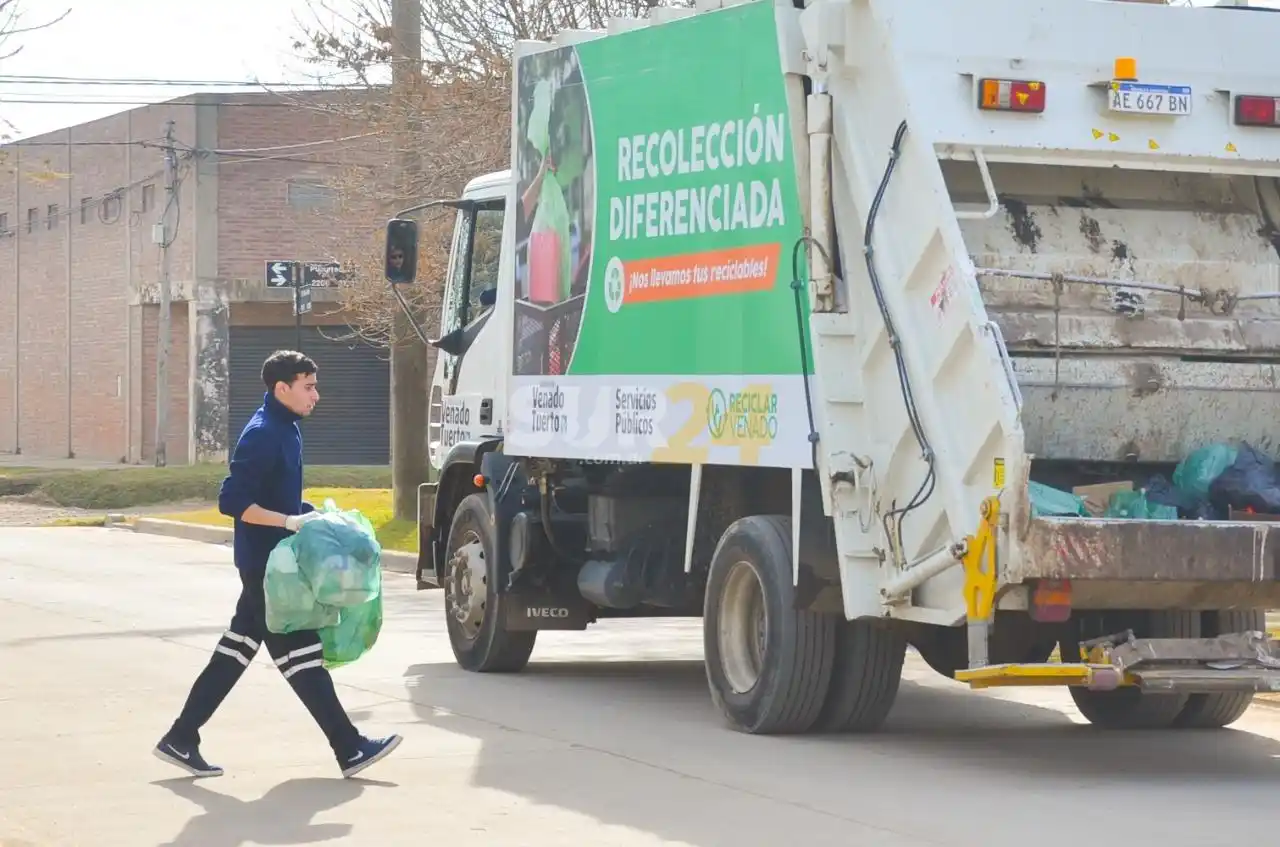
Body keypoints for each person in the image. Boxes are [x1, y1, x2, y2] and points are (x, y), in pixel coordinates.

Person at [153, 350, 401, 779]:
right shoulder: (264, 433)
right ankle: (349, 747)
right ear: (281, 388)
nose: (316, 396)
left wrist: (308, 513)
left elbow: (274, 495)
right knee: (301, 655)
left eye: (314, 386)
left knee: (236, 652)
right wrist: (288, 520)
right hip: (268, 570)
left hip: (271, 565)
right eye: (308, 387)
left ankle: (181, 737)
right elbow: (232, 501)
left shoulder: (285, 428)